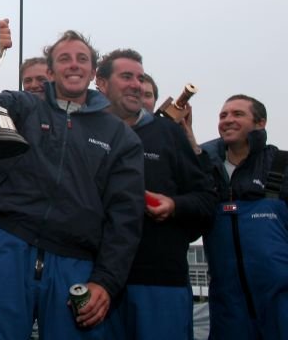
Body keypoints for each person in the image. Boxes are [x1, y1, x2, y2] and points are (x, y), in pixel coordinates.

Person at [0, 29, 145, 339]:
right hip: (10, 244)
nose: (73, 65)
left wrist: (106, 280)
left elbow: (126, 216)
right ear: (49, 71)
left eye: (82, 59)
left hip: (76, 259)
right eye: (64, 59)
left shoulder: (120, 136)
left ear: (92, 71)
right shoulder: (22, 107)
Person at [95, 49, 215, 340]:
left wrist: (174, 205)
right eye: (126, 77)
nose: (136, 84)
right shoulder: (84, 129)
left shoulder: (168, 134)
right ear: (101, 83)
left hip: (159, 282)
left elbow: (206, 198)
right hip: (94, 282)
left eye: (139, 77)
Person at [193, 95, 288, 339]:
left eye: (238, 114)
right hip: (228, 307)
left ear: (260, 123)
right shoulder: (207, 170)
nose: (228, 120)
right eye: (223, 115)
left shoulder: (282, 164)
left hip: (280, 302)